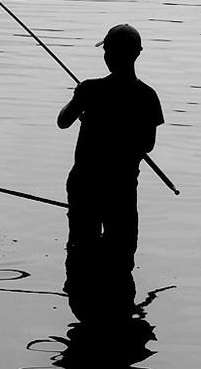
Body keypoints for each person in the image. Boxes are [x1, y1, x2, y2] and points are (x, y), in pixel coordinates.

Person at [57, 24, 164, 270]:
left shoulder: (89, 89)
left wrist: (79, 103)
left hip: (85, 185)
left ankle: (82, 299)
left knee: (81, 252)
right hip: (122, 189)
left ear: (107, 54)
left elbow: (63, 122)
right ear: (138, 53)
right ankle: (120, 303)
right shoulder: (148, 96)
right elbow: (148, 145)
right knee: (121, 255)